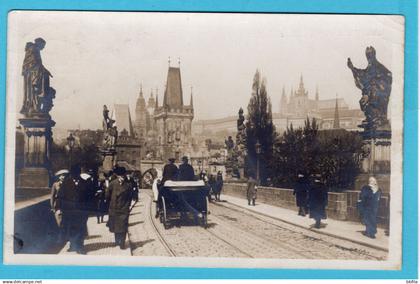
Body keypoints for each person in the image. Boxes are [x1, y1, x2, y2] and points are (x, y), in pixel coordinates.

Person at [56, 164, 90, 254]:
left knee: (80, 229)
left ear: (79, 174)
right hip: (69, 211)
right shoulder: (66, 183)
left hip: (81, 211)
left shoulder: (85, 183)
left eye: (77, 174)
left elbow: (89, 198)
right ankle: (72, 245)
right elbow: (60, 197)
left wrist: (87, 210)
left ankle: (80, 247)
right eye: (74, 174)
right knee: (70, 229)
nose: (75, 176)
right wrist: (59, 208)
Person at [106, 166, 137, 249]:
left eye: (123, 176)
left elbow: (132, 197)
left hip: (124, 208)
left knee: (123, 227)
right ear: (117, 176)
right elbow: (107, 195)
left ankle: (122, 243)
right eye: (120, 176)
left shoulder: (128, 185)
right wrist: (109, 205)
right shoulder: (112, 184)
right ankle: (117, 241)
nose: (122, 178)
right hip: (114, 208)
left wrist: (129, 206)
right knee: (116, 226)